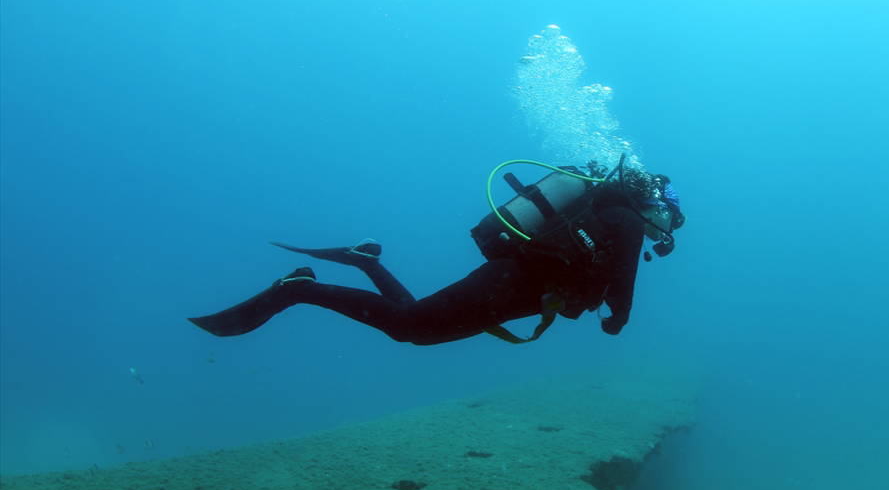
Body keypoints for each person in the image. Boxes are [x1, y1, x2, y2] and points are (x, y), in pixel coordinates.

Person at [188, 159, 684, 345]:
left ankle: (366, 260)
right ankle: (301, 290)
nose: (664, 229)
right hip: (517, 282)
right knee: (412, 327)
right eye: (668, 218)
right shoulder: (623, 219)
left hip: (520, 287)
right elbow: (623, 282)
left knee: (414, 326)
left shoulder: (608, 215)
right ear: (653, 205)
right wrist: (617, 318)